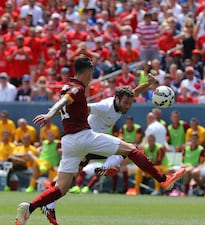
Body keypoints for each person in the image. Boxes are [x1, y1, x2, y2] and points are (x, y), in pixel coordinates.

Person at [15, 55, 185, 225]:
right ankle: (163, 180)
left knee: (62, 186)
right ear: (87, 71)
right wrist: (50, 114)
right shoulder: (98, 101)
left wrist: (147, 85)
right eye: (91, 73)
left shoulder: (74, 86)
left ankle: (30, 207)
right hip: (87, 138)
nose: (128, 105)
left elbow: (131, 93)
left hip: (71, 142)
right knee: (130, 149)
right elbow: (72, 102)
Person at [169, 132, 205, 197]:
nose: (193, 140)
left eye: (195, 139)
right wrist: (182, 164)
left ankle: (185, 191)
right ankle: (170, 190)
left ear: (198, 140)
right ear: (190, 139)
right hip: (184, 166)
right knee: (170, 170)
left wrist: (194, 166)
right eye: (192, 138)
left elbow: (202, 162)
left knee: (187, 170)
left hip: (194, 167)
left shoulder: (201, 149)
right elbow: (181, 161)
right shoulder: (186, 149)